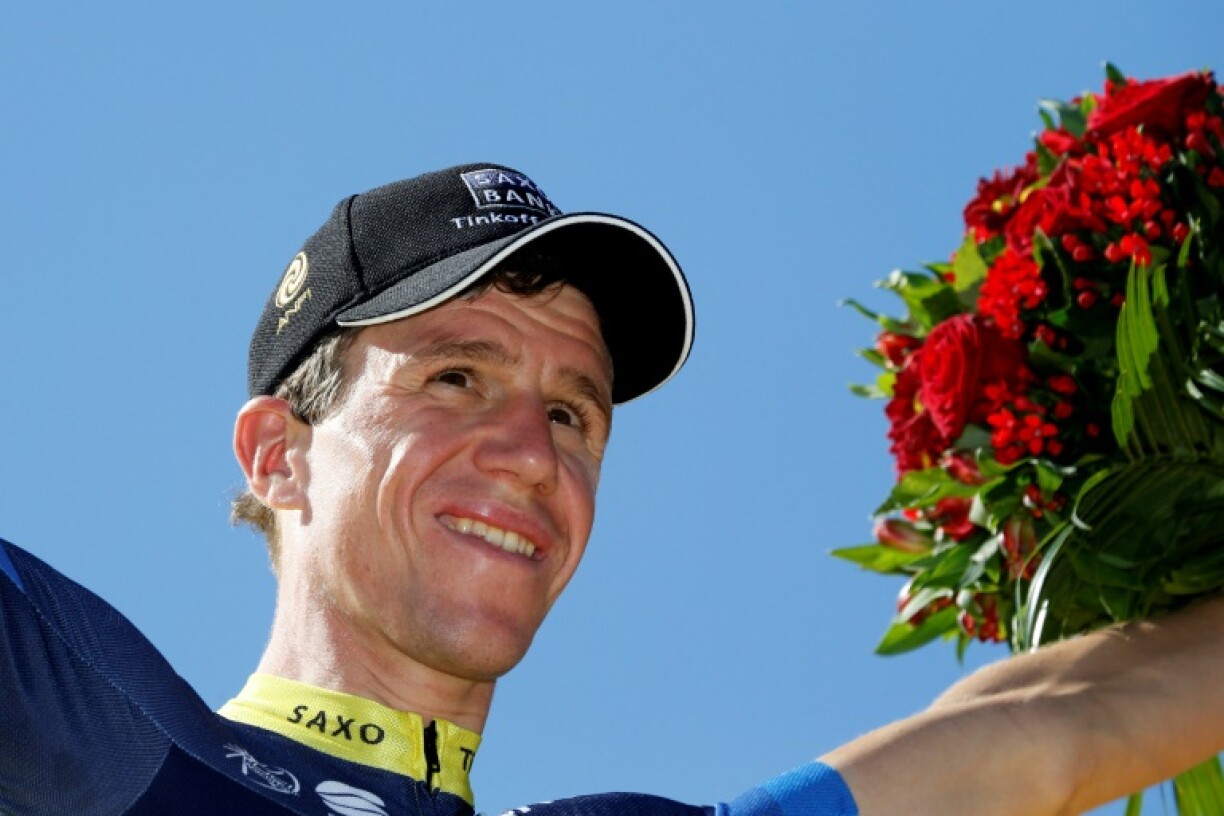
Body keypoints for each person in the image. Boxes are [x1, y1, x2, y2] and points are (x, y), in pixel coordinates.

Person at [1, 162, 1222, 816]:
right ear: (278, 455)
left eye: (573, 411)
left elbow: (1048, 736)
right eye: (457, 376)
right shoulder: (99, 735)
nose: (534, 452)